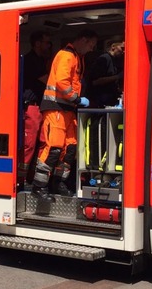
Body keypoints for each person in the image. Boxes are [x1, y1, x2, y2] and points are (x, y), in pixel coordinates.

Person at [32, 28, 98, 200]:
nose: (92, 49)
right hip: (56, 107)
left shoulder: (76, 57)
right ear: (83, 40)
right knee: (53, 146)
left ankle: (58, 183)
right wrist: (77, 98)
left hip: (67, 109)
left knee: (70, 148)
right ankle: (39, 187)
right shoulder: (67, 55)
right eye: (91, 45)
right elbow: (62, 82)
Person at [84, 39, 125, 170]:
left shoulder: (114, 61)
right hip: (99, 105)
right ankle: (96, 164)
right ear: (113, 46)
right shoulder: (103, 59)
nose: (124, 52)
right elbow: (95, 81)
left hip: (108, 104)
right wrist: (117, 77)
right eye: (122, 48)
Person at [18, 31, 52, 184]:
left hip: (38, 108)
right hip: (30, 108)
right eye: (46, 42)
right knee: (28, 145)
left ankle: (30, 178)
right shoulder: (31, 60)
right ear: (37, 44)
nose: (48, 45)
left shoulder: (39, 60)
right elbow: (48, 81)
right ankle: (21, 179)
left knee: (39, 143)